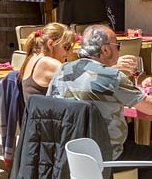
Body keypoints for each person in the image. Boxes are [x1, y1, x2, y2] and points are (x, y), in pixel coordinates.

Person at [48, 24, 152, 176]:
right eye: (118, 46)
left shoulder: (61, 71)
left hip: (68, 155)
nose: (119, 50)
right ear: (105, 50)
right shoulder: (112, 77)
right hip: (106, 156)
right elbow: (149, 108)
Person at [18, 23, 75, 101]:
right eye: (66, 47)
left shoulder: (33, 57)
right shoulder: (47, 63)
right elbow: (78, 82)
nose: (69, 53)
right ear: (50, 44)